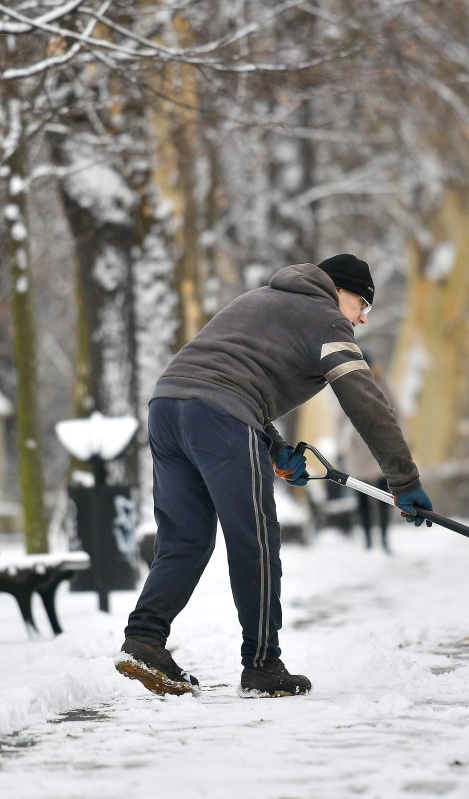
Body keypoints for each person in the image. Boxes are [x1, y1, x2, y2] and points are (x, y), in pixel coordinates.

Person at [115, 254, 433, 698]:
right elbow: (365, 401)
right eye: (363, 304)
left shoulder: (256, 300)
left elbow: (229, 375)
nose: (362, 318)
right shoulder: (326, 321)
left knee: (184, 539)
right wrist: (404, 480)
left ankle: (145, 638)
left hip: (167, 407)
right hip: (221, 416)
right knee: (256, 540)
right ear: (338, 289)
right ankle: (263, 664)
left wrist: (276, 446)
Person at [339, 358, 396, 553]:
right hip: (358, 448)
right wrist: (342, 445)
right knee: (362, 498)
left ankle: (383, 539)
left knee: (384, 497)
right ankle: (369, 541)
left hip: (380, 446)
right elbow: (339, 417)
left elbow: (397, 411)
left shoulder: (382, 384)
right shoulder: (348, 384)